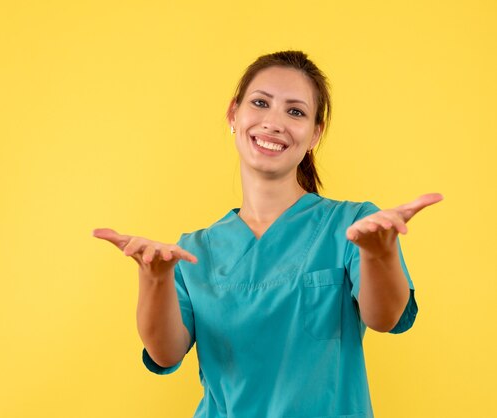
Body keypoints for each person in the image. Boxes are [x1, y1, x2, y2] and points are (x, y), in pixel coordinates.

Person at [93, 50, 443, 418]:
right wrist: (153, 278)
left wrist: (378, 254)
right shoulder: (193, 252)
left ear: (314, 135)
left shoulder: (355, 226)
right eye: (261, 103)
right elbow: (165, 352)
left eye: (295, 112)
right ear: (233, 114)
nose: (274, 122)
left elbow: (384, 318)